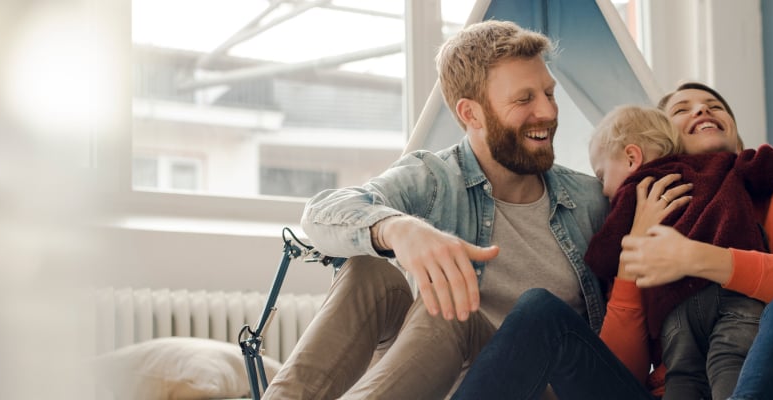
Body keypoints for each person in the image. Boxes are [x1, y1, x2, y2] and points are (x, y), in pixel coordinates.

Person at [262, 20, 613, 399]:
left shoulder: (589, 199)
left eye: (548, 92)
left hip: (536, 388)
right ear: (471, 114)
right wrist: (397, 230)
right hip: (449, 383)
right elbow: (320, 213)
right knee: (370, 272)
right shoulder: (435, 179)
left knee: (449, 307)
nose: (546, 111)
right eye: (524, 99)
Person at [451, 82, 773, 400]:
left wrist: (696, 258)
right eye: (682, 109)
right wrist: (631, 258)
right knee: (538, 310)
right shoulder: (636, 217)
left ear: (738, 142)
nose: (702, 110)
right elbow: (625, 368)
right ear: (661, 148)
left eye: (714, 105)